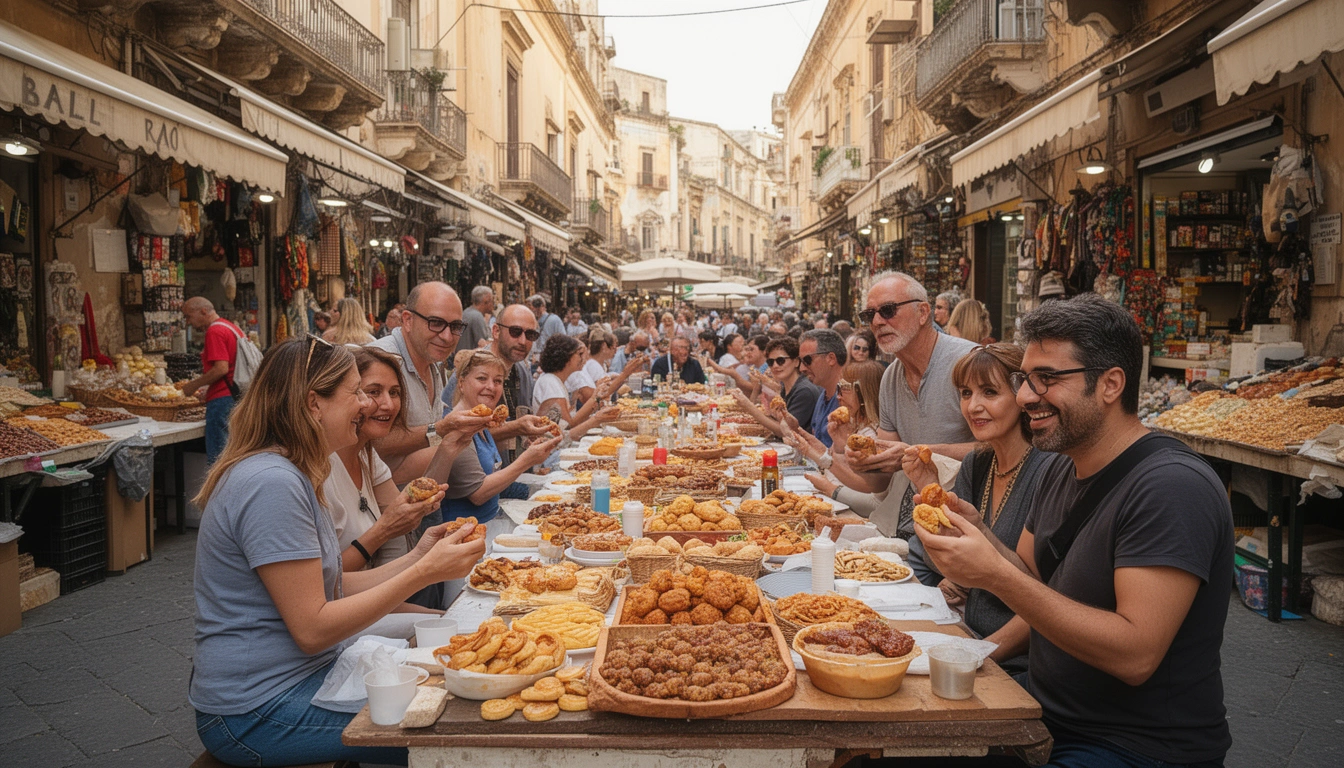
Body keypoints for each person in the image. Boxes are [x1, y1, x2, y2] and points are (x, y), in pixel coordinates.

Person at [914, 294, 1233, 766]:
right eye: (1025, 379)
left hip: (1130, 746)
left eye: (1048, 379)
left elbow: (1135, 654)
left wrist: (994, 576)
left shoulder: (1171, 488)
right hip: (1041, 711)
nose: (1025, 396)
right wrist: (977, 533)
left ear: (1110, 384)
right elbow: (1030, 573)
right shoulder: (1066, 466)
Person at [190, 337, 486, 767]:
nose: (366, 405)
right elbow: (313, 627)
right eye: (357, 393)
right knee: (459, 730)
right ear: (314, 404)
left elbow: (332, 586)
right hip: (256, 709)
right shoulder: (272, 483)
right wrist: (422, 574)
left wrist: (419, 555)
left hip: (297, 679)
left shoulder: (292, 470)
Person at [900, 343, 1047, 677]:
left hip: (1017, 664)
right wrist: (926, 486)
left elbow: (1045, 602)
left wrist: (977, 656)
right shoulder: (977, 463)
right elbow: (956, 562)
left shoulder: (1049, 471)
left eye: (990, 392)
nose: (973, 406)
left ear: (1021, 397)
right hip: (971, 634)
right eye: (966, 393)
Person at [324, 347, 485, 571]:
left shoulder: (366, 455)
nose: (388, 404)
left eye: (395, 392)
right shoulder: (320, 468)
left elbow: (410, 513)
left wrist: (449, 447)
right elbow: (328, 583)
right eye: (373, 391)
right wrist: (384, 531)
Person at [436, 351, 563, 529]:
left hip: (491, 523)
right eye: (482, 378)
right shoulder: (457, 426)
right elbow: (478, 494)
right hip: (466, 535)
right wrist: (527, 461)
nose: (491, 387)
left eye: (498, 381)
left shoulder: (482, 422)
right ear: (462, 383)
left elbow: (497, 481)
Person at [368, 282, 466, 481]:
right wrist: (441, 429)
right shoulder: (380, 360)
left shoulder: (431, 359)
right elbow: (370, 440)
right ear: (408, 320)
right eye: (436, 323)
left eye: (455, 326)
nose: (447, 337)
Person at [792, 360, 885, 517]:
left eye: (843, 389)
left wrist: (829, 488)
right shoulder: (853, 425)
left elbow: (871, 498)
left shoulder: (871, 437)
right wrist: (827, 447)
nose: (838, 396)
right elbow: (841, 468)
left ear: (863, 394)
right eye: (838, 389)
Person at [179, 297, 243, 464]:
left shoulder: (214, 332)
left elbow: (221, 369)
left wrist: (192, 385)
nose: (188, 323)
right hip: (233, 396)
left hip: (222, 401)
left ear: (203, 311)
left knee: (219, 460)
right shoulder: (230, 327)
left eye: (188, 316)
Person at [730, 336, 819, 438]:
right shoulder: (785, 387)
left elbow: (785, 432)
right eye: (771, 362)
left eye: (780, 360)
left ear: (796, 362)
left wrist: (748, 406)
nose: (775, 366)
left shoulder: (804, 391)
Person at [533, 334, 615, 428]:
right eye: (579, 354)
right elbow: (568, 428)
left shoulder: (555, 381)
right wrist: (595, 398)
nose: (583, 358)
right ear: (565, 356)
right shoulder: (549, 382)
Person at [798, 329, 846, 448]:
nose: (802, 368)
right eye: (800, 361)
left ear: (831, 358)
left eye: (807, 360)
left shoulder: (848, 399)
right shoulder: (823, 395)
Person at [457, 285, 495, 352]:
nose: (493, 304)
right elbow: (484, 344)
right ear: (486, 300)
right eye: (492, 301)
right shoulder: (477, 316)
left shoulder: (466, 312)